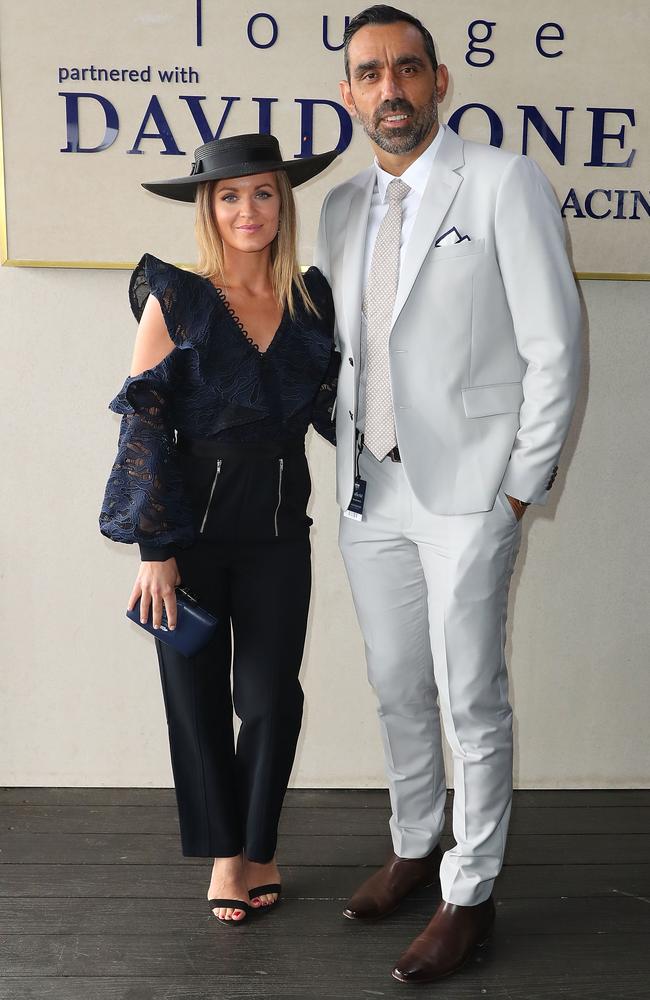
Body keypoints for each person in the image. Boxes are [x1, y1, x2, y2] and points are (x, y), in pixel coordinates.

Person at [315, 4, 581, 984]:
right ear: (349, 94)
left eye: (407, 69)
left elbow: (555, 345)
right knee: (396, 684)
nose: (390, 87)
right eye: (369, 72)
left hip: (471, 492)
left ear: (437, 83)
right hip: (368, 489)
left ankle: (469, 893)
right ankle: (415, 841)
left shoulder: (503, 182)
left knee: (470, 691)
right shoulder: (342, 207)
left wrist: (517, 490)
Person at [99, 133, 339, 926]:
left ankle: (259, 839)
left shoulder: (310, 301)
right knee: (195, 698)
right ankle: (230, 857)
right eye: (229, 197)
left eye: (263, 193)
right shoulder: (179, 298)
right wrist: (155, 551)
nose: (248, 210)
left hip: (278, 535)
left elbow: (341, 412)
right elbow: (143, 427)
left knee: (271, 698)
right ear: (209, 208)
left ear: (283, 202)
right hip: (190, 537)